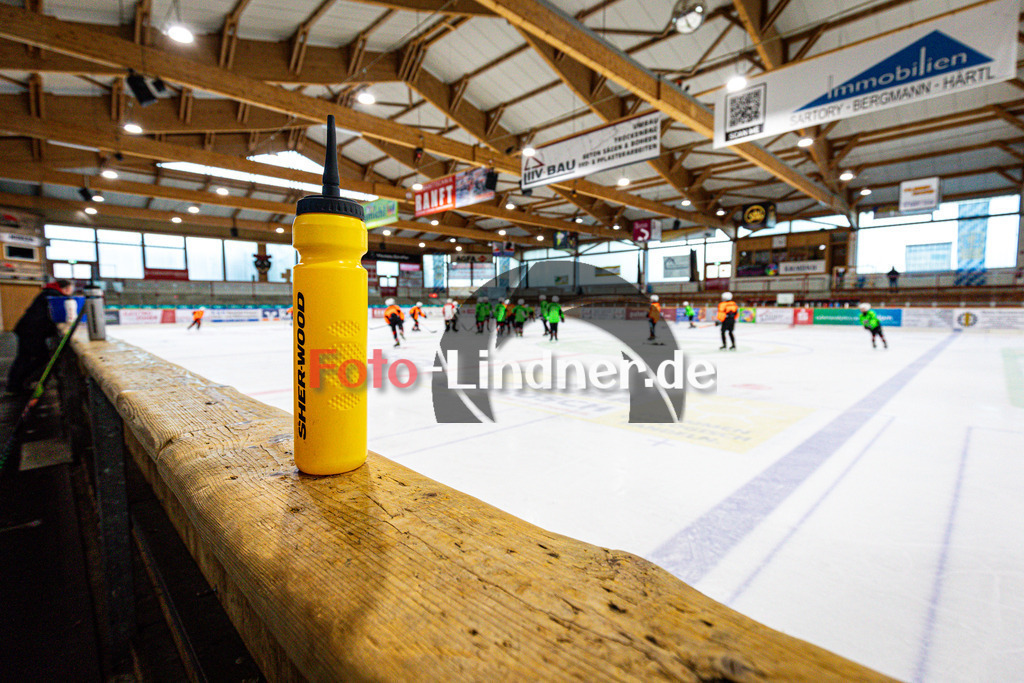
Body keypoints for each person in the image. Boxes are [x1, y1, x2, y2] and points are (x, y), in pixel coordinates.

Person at [5, 279, 74, 394]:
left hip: (28, 329)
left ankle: (15, 385)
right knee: (39, 357)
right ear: (66, 288)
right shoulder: (54, 295)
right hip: (32, 332)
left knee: (24, 358)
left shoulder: (48, 292)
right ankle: (20, 383)